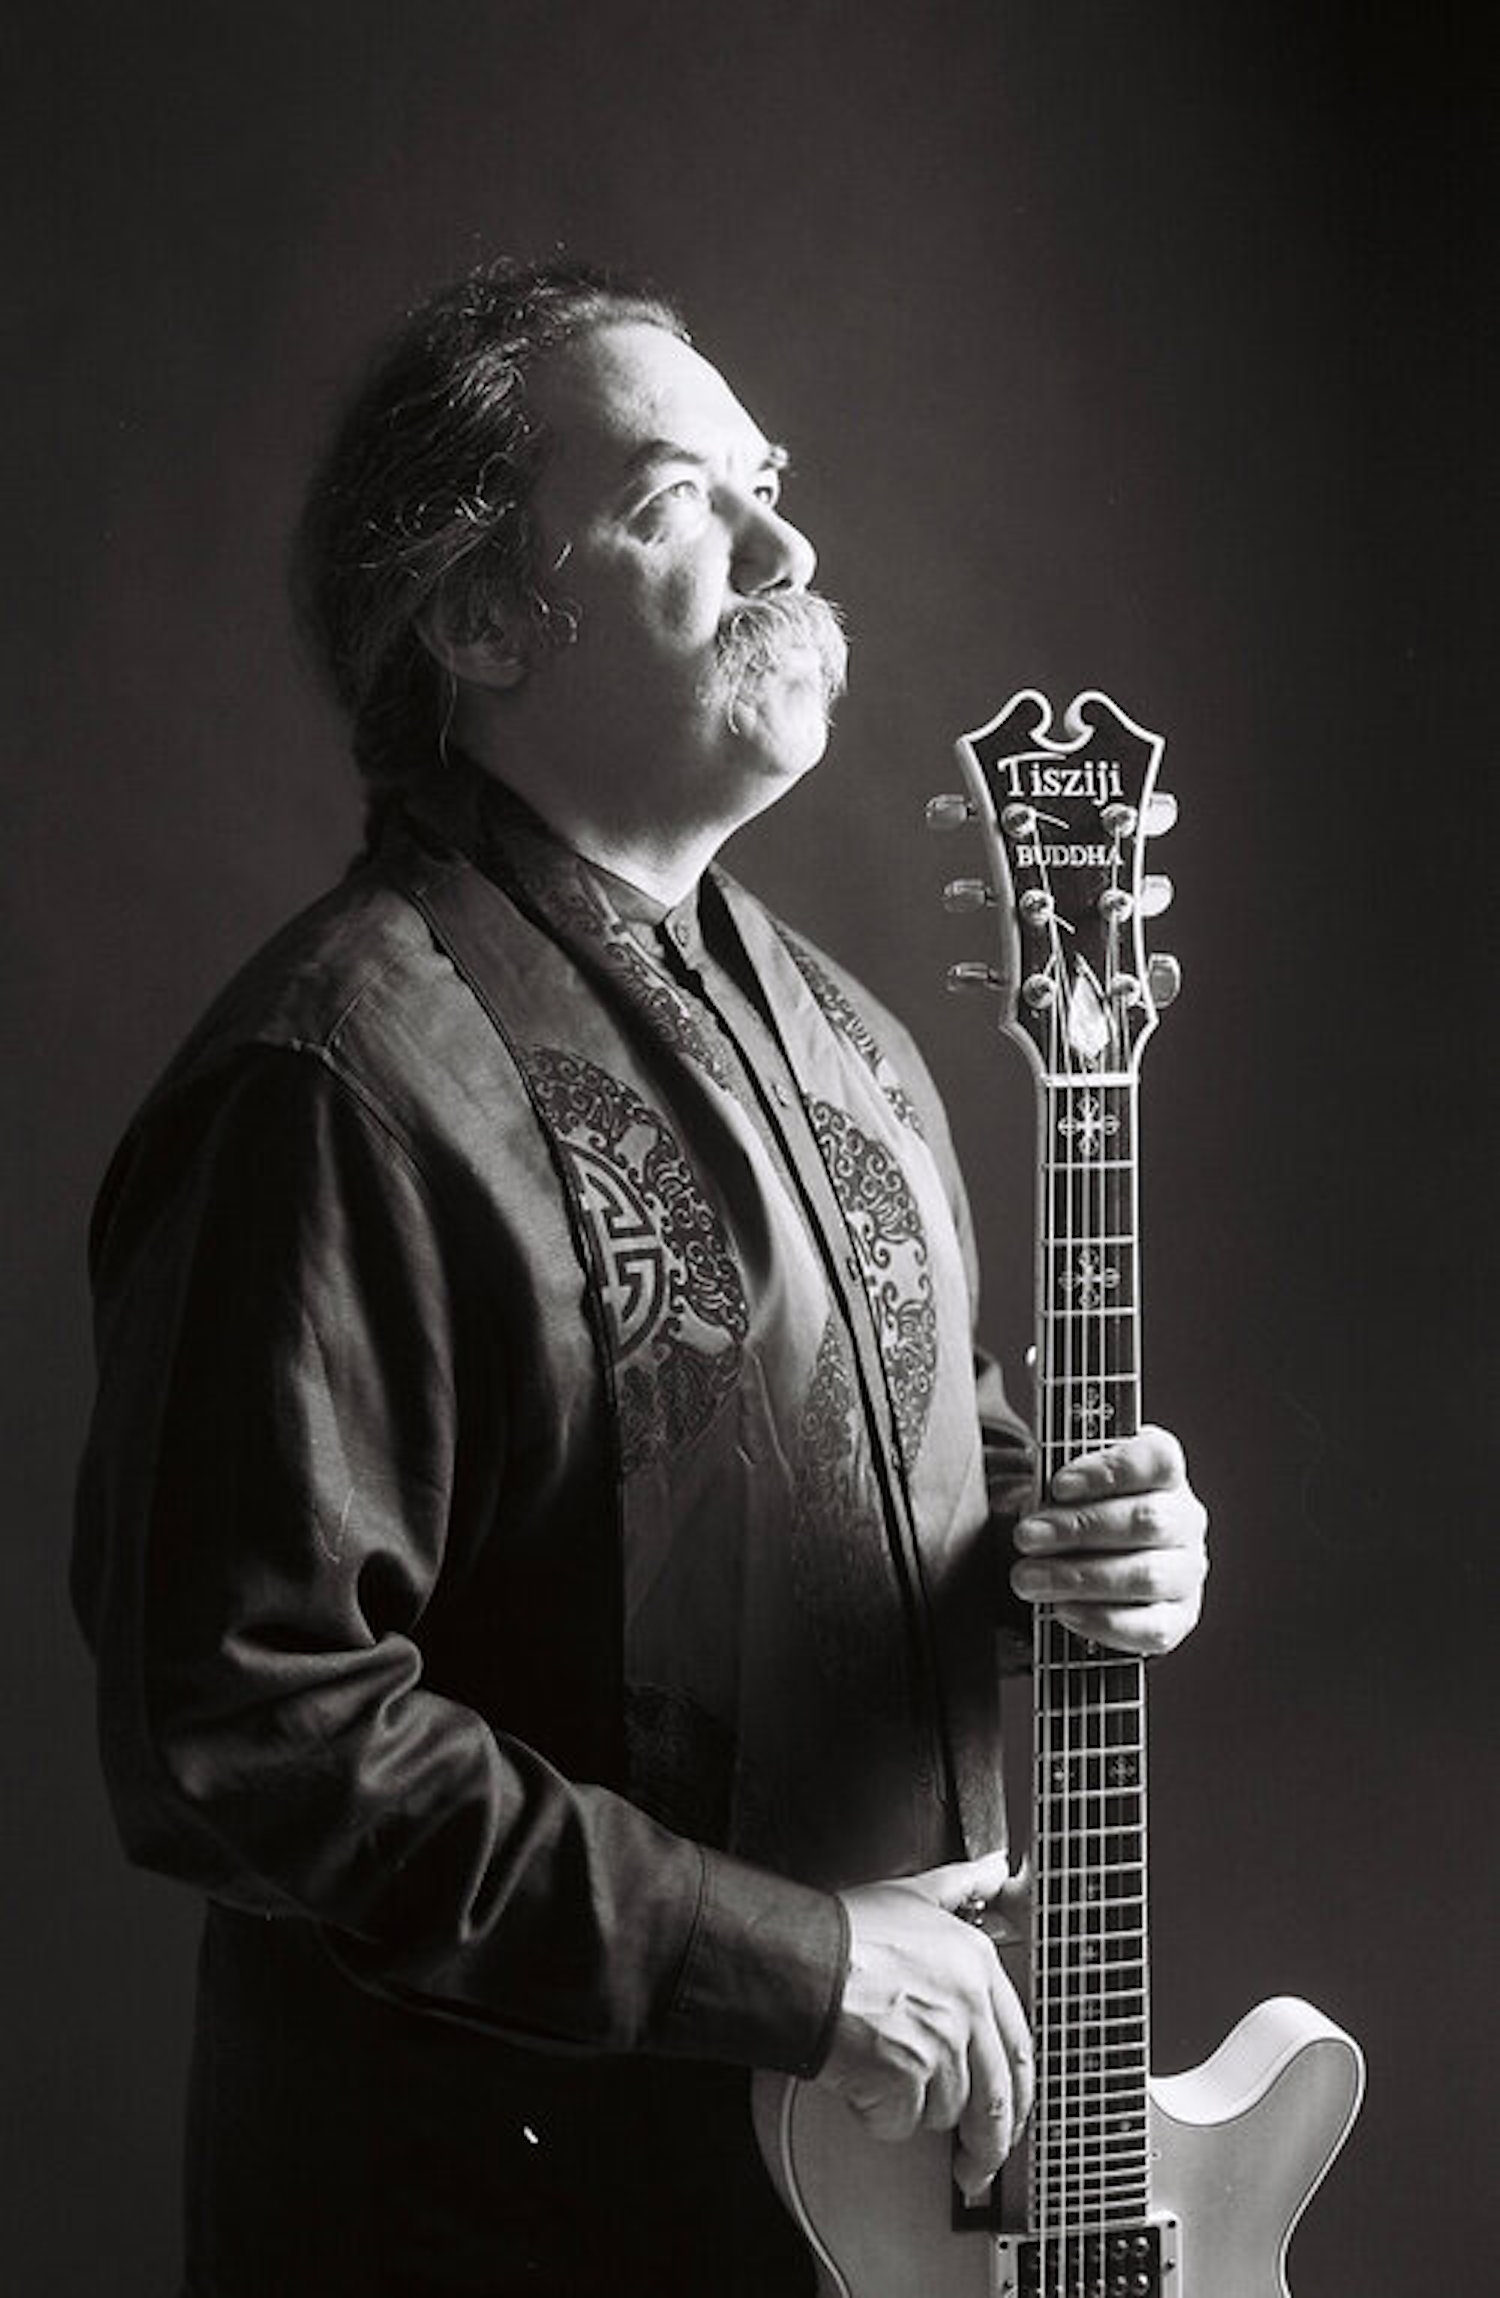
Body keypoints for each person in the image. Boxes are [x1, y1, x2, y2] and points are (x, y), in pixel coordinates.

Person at [73, 260, 1208, 2298]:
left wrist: (1081, 1540)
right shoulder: (333, 1078)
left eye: (775, 480)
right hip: (503, 2226)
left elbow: (858, 1475)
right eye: (683, 500)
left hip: (871, 2214)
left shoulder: (857, 1039)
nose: (789, 540)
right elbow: (247, 1740)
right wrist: (798, 1962)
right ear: (484, 618)